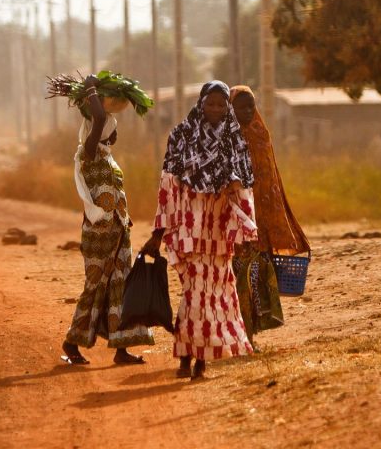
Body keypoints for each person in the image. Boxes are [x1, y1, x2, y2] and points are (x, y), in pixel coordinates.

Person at [141, 81, 256, 380]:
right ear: (201, 103)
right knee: (195, 295)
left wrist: (244, 229)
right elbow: (168, 186)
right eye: (211, 103)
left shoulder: (234, 139)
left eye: (221, 104)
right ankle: (189, 358)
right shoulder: (181, 135)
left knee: (213, 297)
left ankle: (195, 360)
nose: (216, 109)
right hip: (187, 229)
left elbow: (243, 188)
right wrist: (159, 232)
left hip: (218, 233)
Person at [61, 74, 154, 366]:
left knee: (121, 286)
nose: (115, 134)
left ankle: (121, 349)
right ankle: (71, 343)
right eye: (112, 130)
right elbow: (99, 117)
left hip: (118, 231)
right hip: (98, 234)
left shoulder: (107, 157)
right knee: (95, 286)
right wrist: (90, 89)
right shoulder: (88, 153)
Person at [230, 86, 310, 344]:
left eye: (251, 106)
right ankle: (239, 337)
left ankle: (250, 335)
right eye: (241, 107)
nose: (247, 111)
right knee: (237, 280)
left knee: (254, 278)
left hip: (260, 221)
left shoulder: (261, 134)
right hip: (235, 219)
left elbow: (272, 179)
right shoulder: (226, 139)